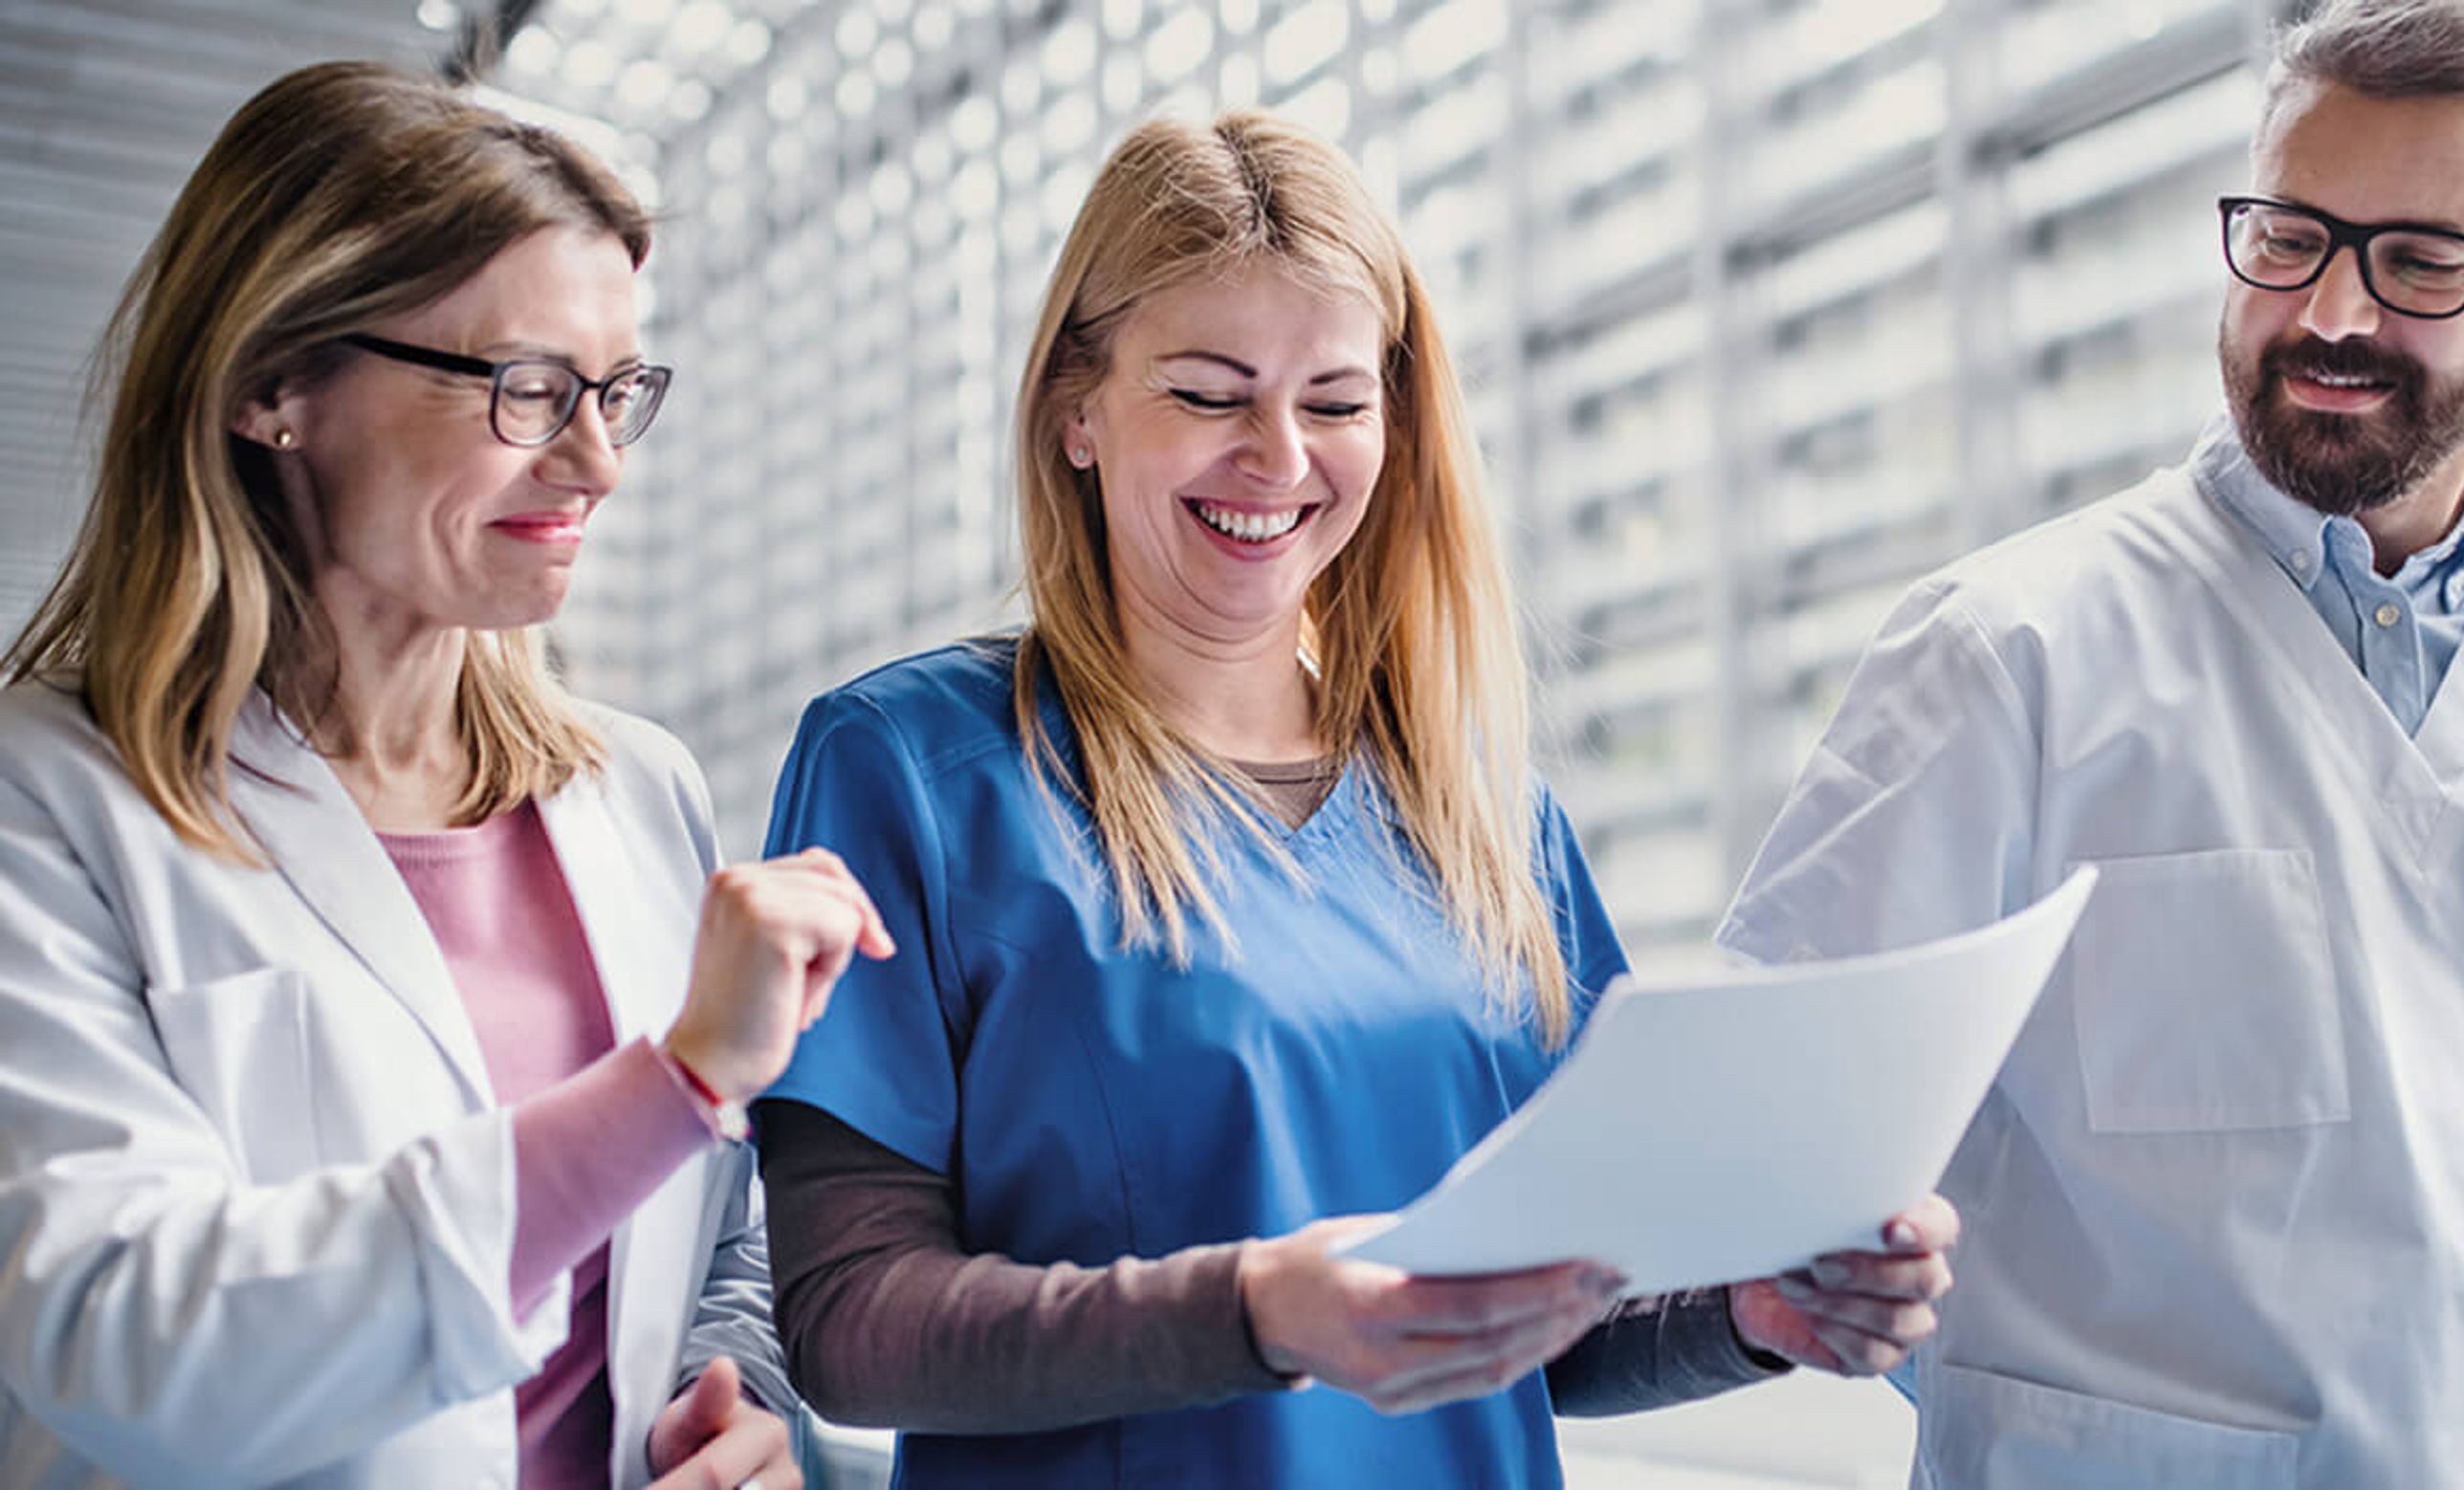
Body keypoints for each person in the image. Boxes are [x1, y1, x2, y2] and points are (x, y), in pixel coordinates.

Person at [751, 110, 1957, 1488]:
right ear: (1074, 411)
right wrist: (1256, 1310)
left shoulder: (1482, 809)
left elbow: (1546, 1311)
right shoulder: (910, 769)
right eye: (1209, 394)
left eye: (1333, 402)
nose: (1278, 457)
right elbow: (850, 1321)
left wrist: (1750, 1316)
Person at [1718, 1, 2464, 1484]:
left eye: (2417, 261)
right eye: (2291, 238)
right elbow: (1751, 1169)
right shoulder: (2003, 654)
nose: (2331, 313)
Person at [0, 61, 890, 1489]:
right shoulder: (49, 804)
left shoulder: (635, 789)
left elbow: (720, 1226)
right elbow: (127, 1343)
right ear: (274, 385)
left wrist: (744, 1402)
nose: (597, 463)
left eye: (614, 391)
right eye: (530, 390)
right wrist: (667, 1083)